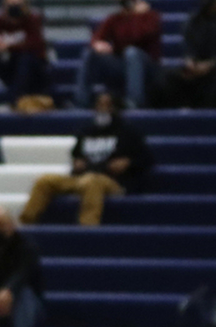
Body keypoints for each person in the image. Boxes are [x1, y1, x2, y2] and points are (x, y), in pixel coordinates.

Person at [19, 90, 154, 227]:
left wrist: (128, 162)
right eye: (99, 105)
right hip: (81, 178)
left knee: (91, 181)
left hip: (113, 182)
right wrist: (77, 162)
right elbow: (76, 155)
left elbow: (147, 159)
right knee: (45, 180)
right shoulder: (87, 131)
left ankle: (87, 229)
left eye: (107, 105)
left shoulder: (128, 132)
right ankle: (26, 224)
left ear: (116, 108)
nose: (102, 109)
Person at [74, 0, 163, 110]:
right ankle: (81, 102)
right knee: (90, 53)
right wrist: (98, 45)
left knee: (131, 52)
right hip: (121, 66)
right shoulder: (114, 19)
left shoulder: (151, 16)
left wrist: (136, 17)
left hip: (146, 66)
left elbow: (137, 37)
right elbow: (97, 37)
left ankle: (134, 102)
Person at [0, 0, 51, 111]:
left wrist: (9, 46)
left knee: (25, 58)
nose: (14, 5)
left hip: (35, 71)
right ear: (4, 5)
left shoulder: (33, 19)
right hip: (13, 69)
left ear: (25, 4)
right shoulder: (1, 21)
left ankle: (14, 101)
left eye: (18, 2)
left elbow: (35, 44)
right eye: (11, 2)